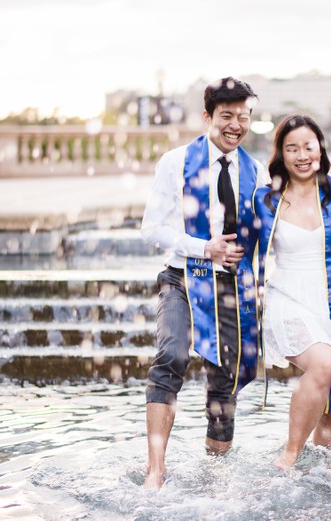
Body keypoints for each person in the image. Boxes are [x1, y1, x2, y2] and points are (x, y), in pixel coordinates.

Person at [140, 77, 269, 489]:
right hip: (181, 277)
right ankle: (156, 469)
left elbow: (273, 231)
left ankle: (215, 472)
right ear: (207, 117)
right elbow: (151, 229)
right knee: (171, 355)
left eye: (243, 117)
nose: (235, 125)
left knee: (225, 377)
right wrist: (203, 248)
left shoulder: (257, 172)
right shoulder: (176, 162)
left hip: (232, 285)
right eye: (226, 116)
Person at [254, 115, 331, 470]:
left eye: (308, 146)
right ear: (281, 154)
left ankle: (325, 477)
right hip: (287, 297)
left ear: (320, 149)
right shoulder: (266, 199)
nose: (301, 155)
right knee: (324, 363)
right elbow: (243, 250)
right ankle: (290, 456)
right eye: (291, 148)